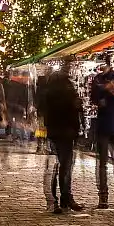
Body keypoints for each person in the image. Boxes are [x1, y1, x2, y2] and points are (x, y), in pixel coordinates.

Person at [36, 67, 84, 212]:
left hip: (59, 132)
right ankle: (62, 199)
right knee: (63, 167)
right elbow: (74, 110)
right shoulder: (64, 92)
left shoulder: (49, 93)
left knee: (59, 167)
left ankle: (59, 200)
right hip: (64, 131)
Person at [87, 58, 114, 209]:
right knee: (102, 163)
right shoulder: (97, 79)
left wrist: (110, 91)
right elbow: (94, 98)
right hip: (103, 124)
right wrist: (109, 89)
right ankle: (103, 197)